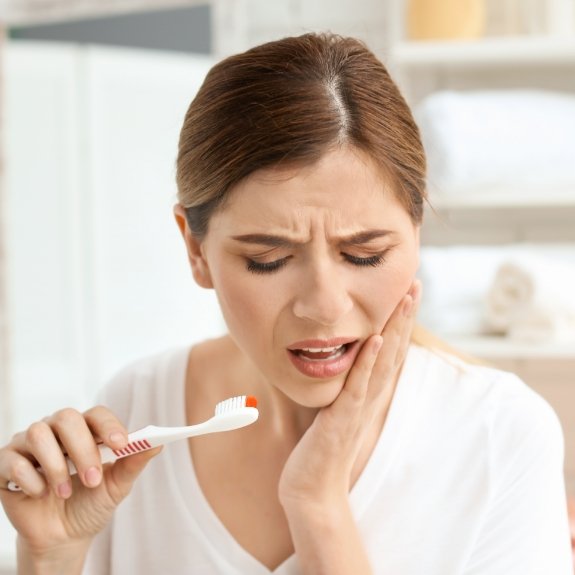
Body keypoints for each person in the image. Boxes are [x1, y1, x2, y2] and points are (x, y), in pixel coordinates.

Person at [0, 33, 572, 575]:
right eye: (268, 260)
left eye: (366, 254)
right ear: (195, 249)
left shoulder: (499, 435)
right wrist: (52, 555)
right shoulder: (138, 411)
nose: (323, 306)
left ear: (416, 231)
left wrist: (318, 505)